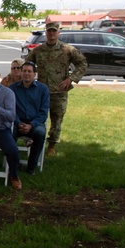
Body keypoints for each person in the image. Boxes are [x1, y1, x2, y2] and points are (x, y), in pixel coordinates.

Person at [26, 22, 88, 156]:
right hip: (40, 92)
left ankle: (52, 145)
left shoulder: (67, 50)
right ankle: (33, 141)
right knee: (36, 118)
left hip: (59, 92)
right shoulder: (38, 50)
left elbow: (82, 63)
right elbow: (27, 65)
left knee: (57, 121)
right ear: (46, 33)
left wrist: (71, 79)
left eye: (54, 31)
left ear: (58, 33)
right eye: (49, 31)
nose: (52, 33)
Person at [10, 61, 49, 174]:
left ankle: (31, 166)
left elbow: (43, 112)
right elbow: (11, 109)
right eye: (24, 71)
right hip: (17, 122)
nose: (27, 73)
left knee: (40, 133)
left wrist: (31, 125)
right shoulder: (13, 88)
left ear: (34, 74)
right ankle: (14, 163)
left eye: (29, 71)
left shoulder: (43, 89)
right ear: (21, 73)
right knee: (8, 132)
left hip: (35, 123)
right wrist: (18, 123)